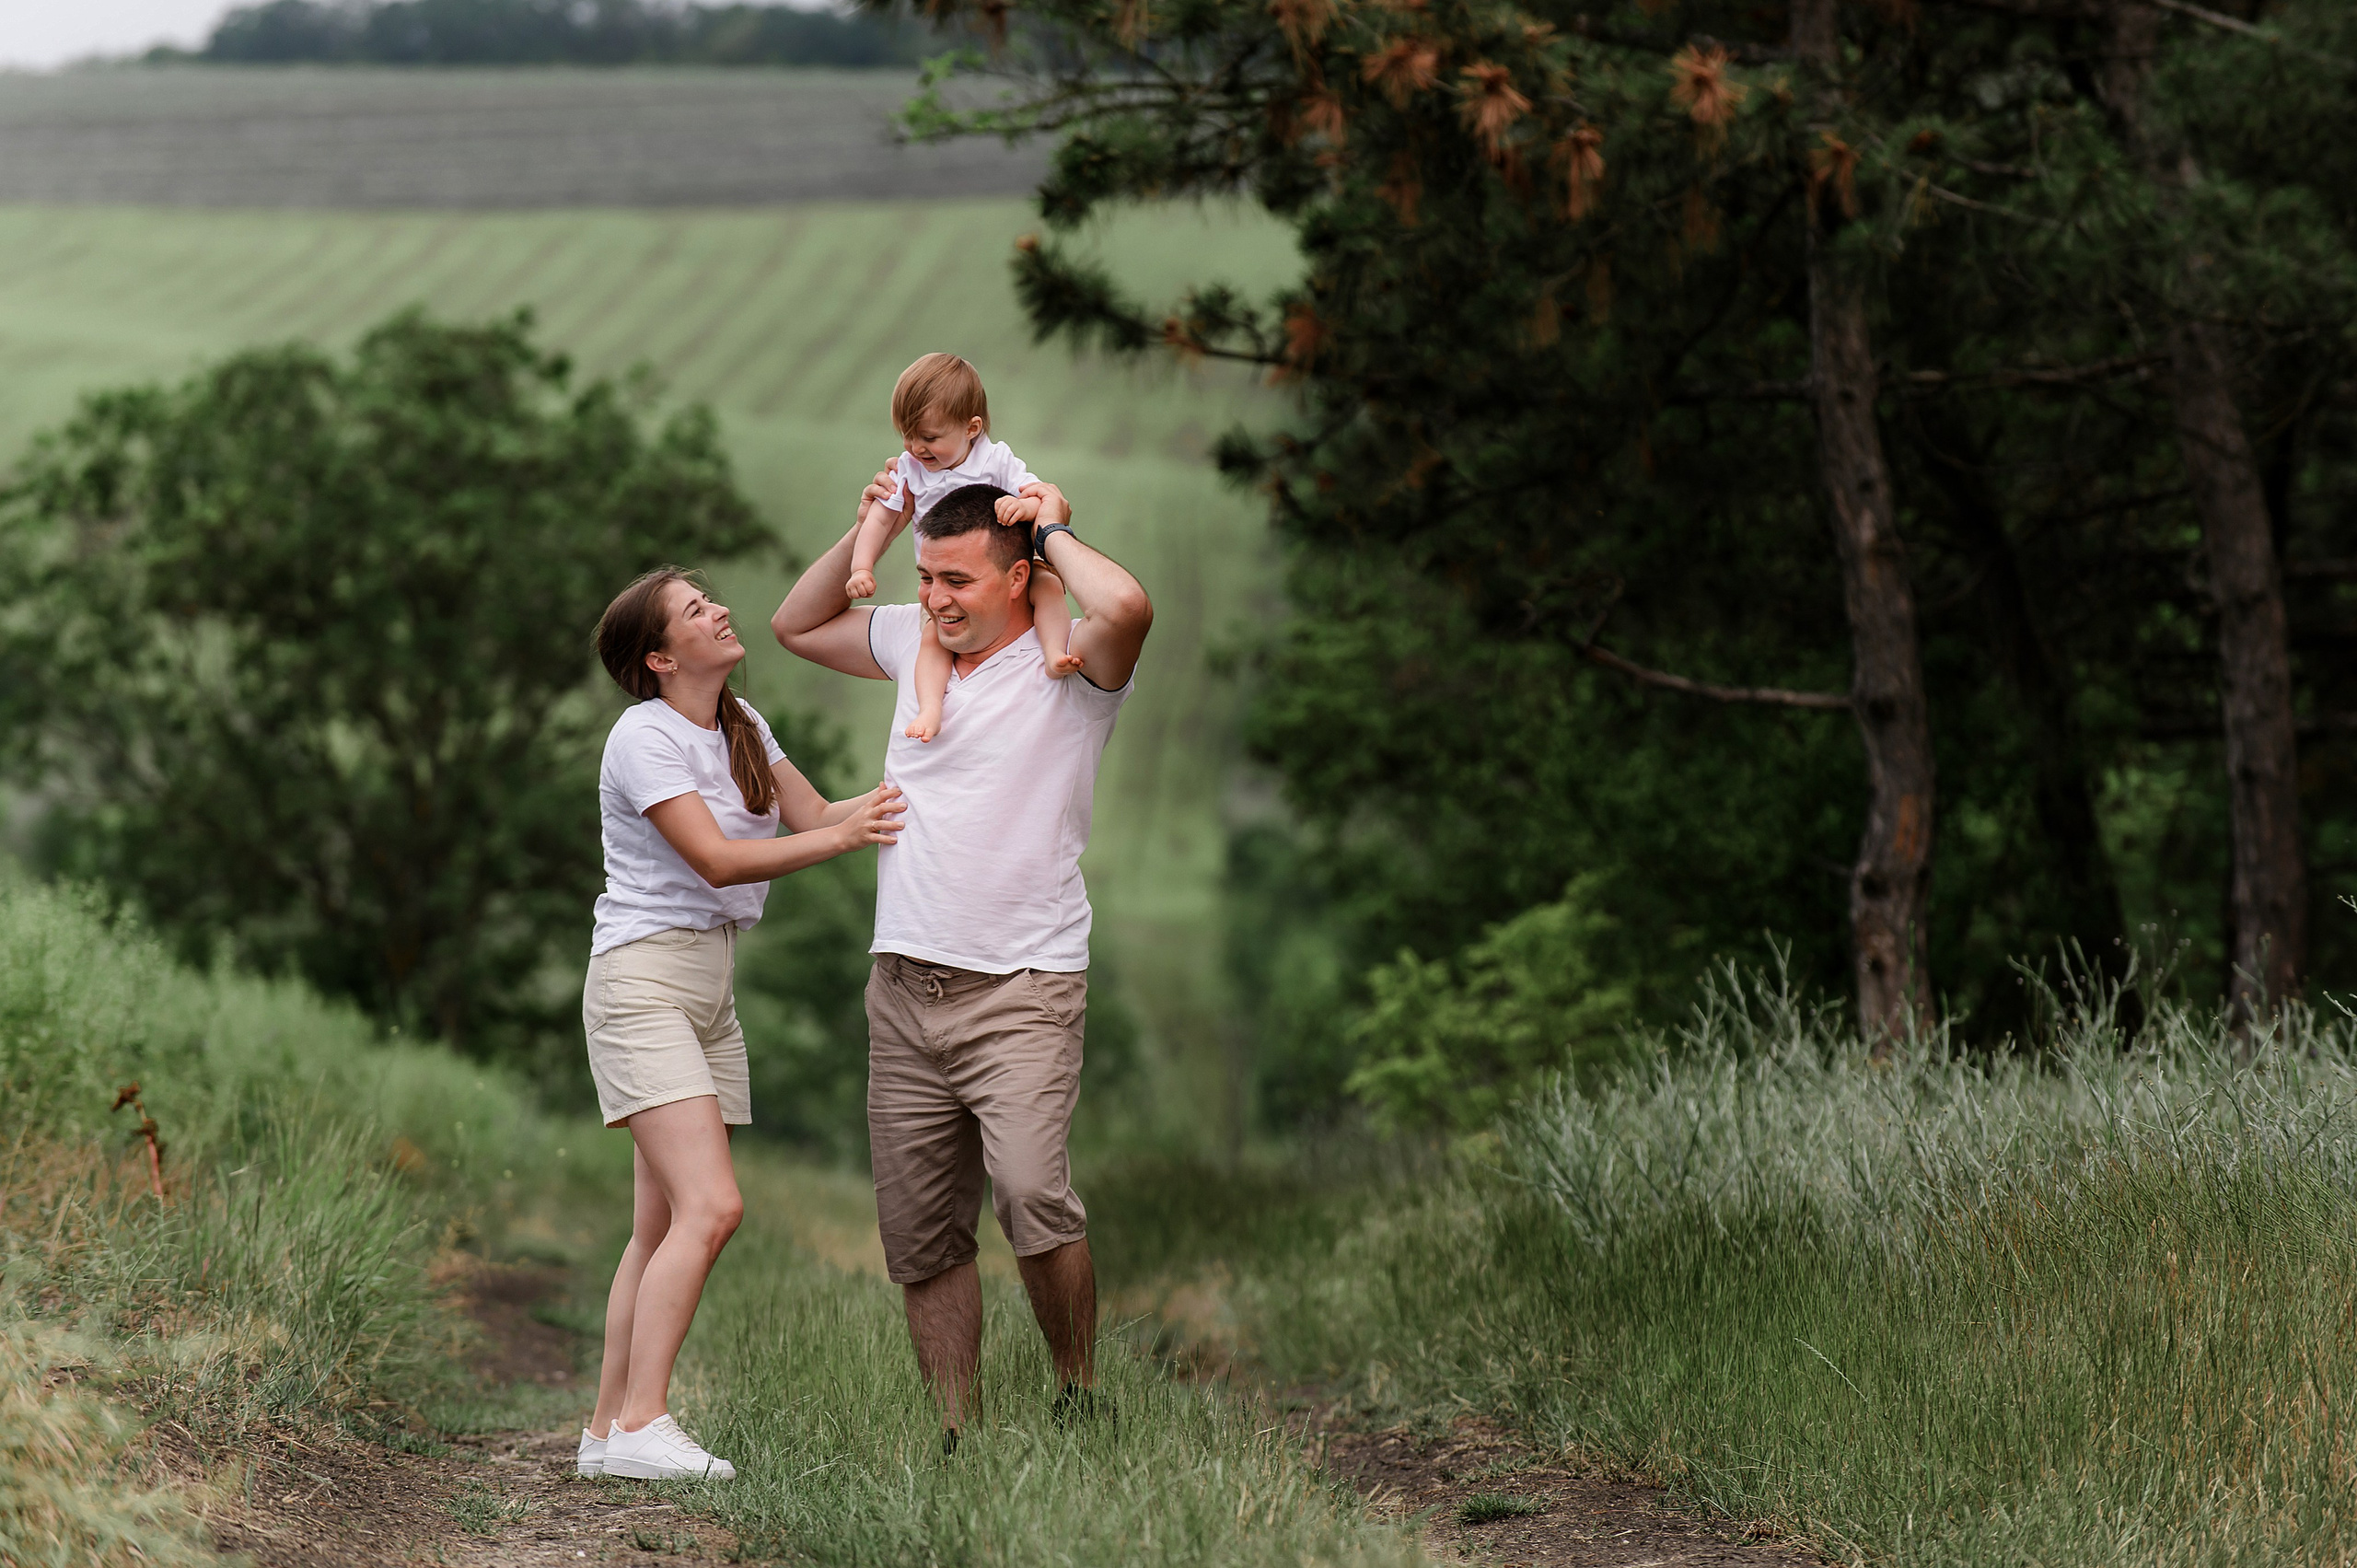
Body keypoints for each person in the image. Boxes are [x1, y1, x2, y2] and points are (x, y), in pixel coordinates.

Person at [772, 477, 1153, 1451]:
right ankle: (957, 1431)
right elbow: (796, 622)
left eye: (958, 579)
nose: (934, 598)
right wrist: (878, 525)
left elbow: (1129, 605)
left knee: (1031, 1191)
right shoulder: (908, 637)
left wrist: (1054, 526)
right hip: (902, 981)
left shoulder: (1071, 659)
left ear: (1021, 577)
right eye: (923, 578)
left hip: (1022, 984)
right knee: (922, 1229)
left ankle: (1078, 1391)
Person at [577, 568, 905, 1481]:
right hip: (644, 981)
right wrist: (843, 839)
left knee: (657, 1226)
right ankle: (646, 1420)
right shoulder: (643, 738)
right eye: (693, 610)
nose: (718, 609)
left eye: (707, 599)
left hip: (709, 985)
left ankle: (606, 1432)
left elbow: (819, 815)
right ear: (659, 655)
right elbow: (720, 860)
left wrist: (905, 795)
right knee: (713, 1205)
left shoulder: (740, 724)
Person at [841, 353, 1084, 743]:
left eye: (930, 438)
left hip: (1010, 564)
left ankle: (1055, 652)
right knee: (932, 640)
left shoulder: (996, 459)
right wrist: (861, 567)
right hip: (947, 580)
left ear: (972, 428)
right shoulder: (909, 469)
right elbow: (880, 519)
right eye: (907, 435)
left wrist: (1021, 506)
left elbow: (1038, 496)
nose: (916, 448)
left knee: (1050, 589)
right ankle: (931, 707)